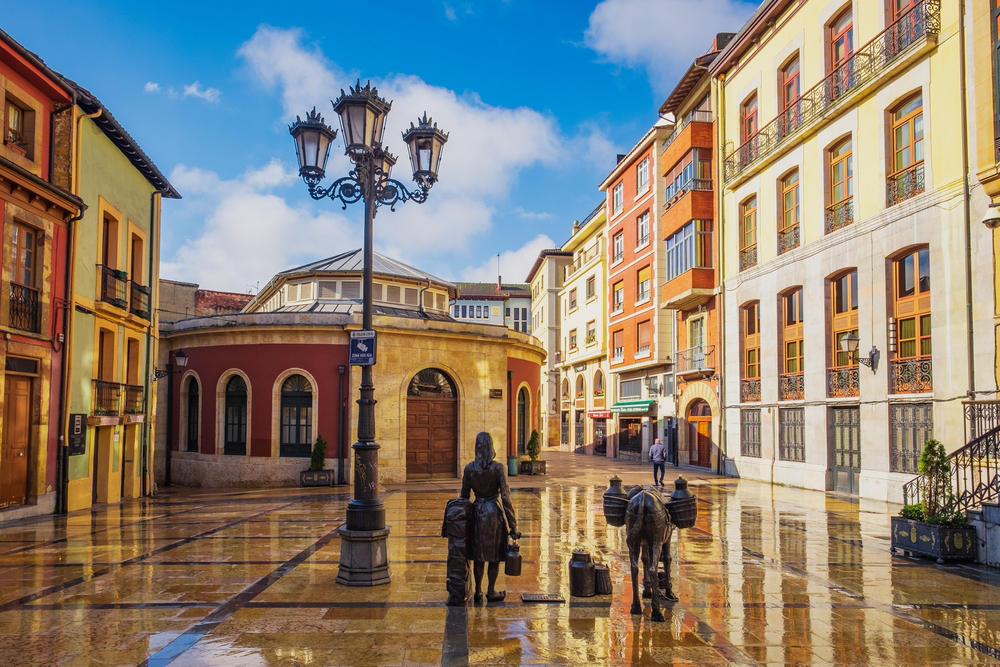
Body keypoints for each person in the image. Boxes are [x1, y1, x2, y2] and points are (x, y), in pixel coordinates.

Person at [461, 432, 521, 603]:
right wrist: (513, 525)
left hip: (477, 514)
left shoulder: (469, 469)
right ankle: (491, 590)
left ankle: (478, 592)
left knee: (479, 556)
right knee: (494, 556)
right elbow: (506, 497)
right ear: (490, 447)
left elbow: (464, 497)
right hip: (494, 513)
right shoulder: (498, 468)